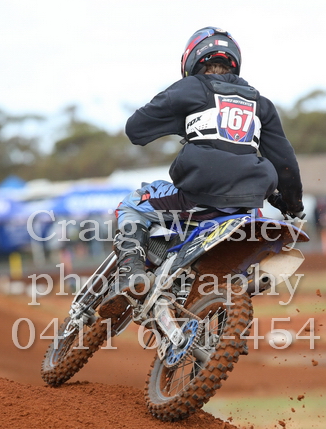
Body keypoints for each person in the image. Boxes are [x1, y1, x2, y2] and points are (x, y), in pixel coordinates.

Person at [99, 26, 303, 318]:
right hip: (248, 207)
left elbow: (136, 129)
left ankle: (131, 272)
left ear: (192, 59)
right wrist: (293, 206)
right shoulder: (261, 103)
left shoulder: (191, 87)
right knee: (251, 230)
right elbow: (285, 163)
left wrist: (181, 120)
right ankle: (235, 287)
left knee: (132, 204)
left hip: (196, 197)